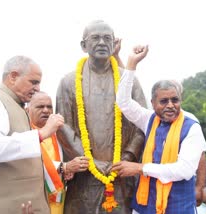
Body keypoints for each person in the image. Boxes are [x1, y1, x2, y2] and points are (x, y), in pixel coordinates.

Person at [55, 20, 147, 213]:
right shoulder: (68, 82)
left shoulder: (128, 80)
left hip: (120, 174)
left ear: (114, 44)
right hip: (83, 176)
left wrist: (127, 157)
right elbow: (64, 127)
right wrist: (89, 161)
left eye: (107, 38)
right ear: (84, 45)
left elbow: (143, 124)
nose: (102, 43)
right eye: (95, 38)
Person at [112, 45, 206, 213]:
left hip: (177, 206)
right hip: (146, 203)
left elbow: (184, 170)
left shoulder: (191, 126)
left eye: (175, 100)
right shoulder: (149, 119)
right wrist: (131, 65)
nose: (170, 105)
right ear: (153, 103)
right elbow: (123, 102)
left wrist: (140, 168)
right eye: (164, 101)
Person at [0, 55, 64, 214]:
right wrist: (40, 134)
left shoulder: (18, 105)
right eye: (33, 82)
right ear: (13, 77)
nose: (38, 88)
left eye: (39, 83)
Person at [26, 91, 89, 214]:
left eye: (49, 107)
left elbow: (64, 160)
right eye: (40, 106)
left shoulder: (58, 132)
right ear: (27, 110)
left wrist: (69, 171)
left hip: (58, 200)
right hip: (35, 200)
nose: (46, 110)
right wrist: (64, 167)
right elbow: (32, 164)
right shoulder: (24, 133)